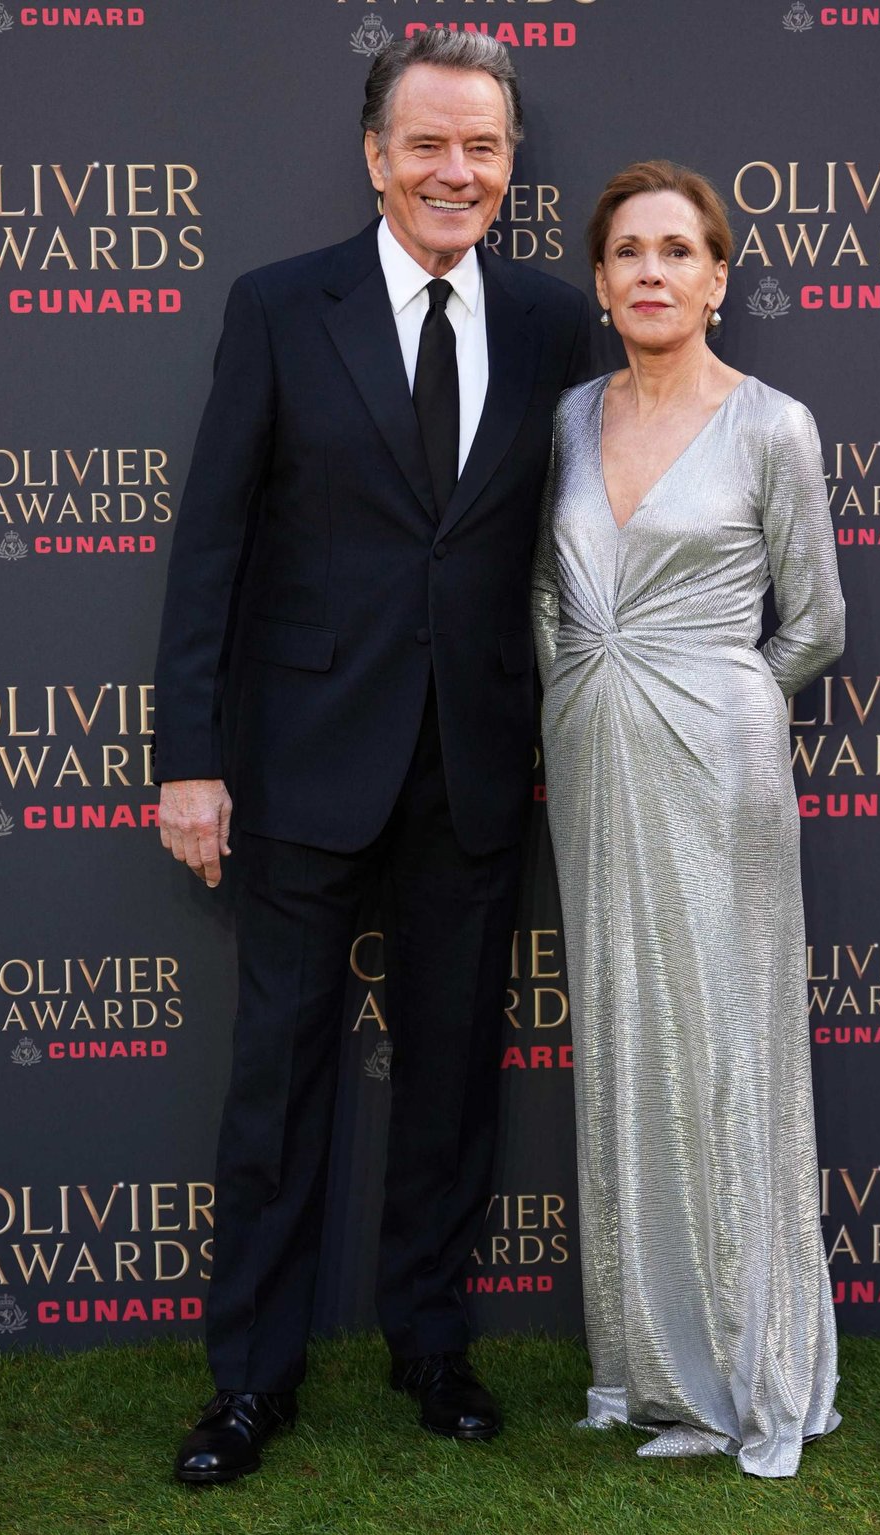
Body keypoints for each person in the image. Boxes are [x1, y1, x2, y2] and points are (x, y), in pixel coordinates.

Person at [154, 31, 590, 1485]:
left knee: (457, 1079)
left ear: (511, 163)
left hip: (475, 762)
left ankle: (432, 1344)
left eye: (483, 147)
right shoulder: (279, 308)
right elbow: (211, 542)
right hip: (299, 766)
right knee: (277, 1086)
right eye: (427, 145)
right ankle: (249, 1384)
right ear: (374, 155)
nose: (455, 171)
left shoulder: (551, 323)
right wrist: (190, 755)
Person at [531, 160, 843, 1478]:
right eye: (626, 254)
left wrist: (722, 699)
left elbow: (817, 625)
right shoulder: (565, 419)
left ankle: (754, 1372)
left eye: (678, 250)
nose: (651, 271)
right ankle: (657, 1371)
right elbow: (548, 596)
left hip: (720, 766)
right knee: (624, 1041)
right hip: (593, 762)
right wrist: (579, 684)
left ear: (718, 278)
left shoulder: (775, 426)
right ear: (600, 287)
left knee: (728, 1048)